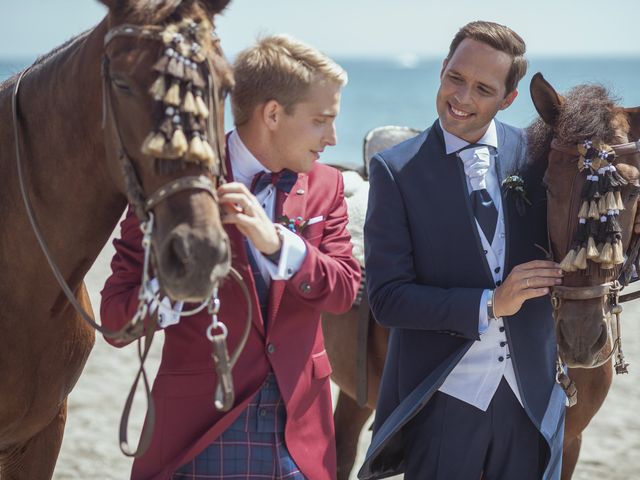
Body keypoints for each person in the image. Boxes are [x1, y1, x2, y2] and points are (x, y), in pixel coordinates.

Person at [101, 34, 360, 480]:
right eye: (321, 121)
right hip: (196, 438)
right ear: (273, 114)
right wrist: (182, 282)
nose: (333, 138)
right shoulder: (171, 184)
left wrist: (280, 247)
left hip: (299, 441)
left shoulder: (327, 186)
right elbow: (115, 321)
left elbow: (343, 291)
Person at [359, 21, 567, 480]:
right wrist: (491, 304)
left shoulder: (538, 157)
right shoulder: (394, 171)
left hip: (533, 406)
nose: (463, 98)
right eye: (455, 77)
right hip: (443, 406)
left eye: (482, 88)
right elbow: (388, 298)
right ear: (442, 69)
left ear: (508, 99)